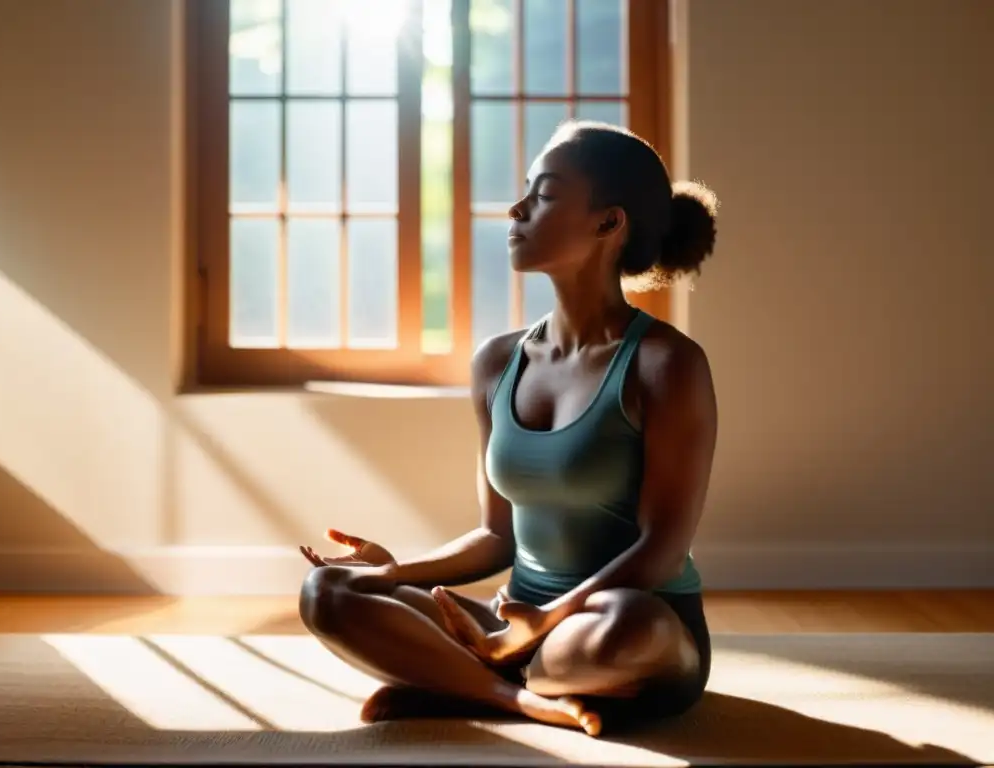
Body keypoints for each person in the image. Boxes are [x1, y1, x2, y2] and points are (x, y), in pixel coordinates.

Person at [298, 120, 719, 738]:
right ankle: (517, 699)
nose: (517, 208)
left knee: (629, 627)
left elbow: (660, 551)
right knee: (328, 591)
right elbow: (497, 536)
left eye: (543, 194)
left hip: (623, 626)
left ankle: (456, 682)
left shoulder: (666, 364)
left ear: (608, 223)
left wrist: (542, 621)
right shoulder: (497, 362)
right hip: (510, 631)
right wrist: (394, 573)